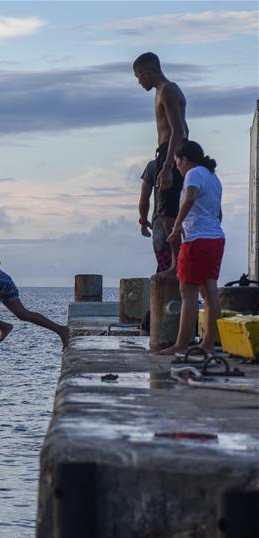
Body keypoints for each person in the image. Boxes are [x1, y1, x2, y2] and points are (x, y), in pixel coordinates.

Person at [159, 141, 224, 355]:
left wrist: (177, 226)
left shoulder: (194, 173)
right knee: (209, 290)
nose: (177, 167)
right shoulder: (213, 177)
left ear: (185, 159)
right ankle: (208, 343)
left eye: (178, 163)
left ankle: (181, 343)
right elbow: (219, 213)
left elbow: (189, 198)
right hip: (215, 238)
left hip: (197, 239)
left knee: (187, 291)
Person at [133, 52, 189, 278]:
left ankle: (176, 265)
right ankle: (175, 264)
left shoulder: (167, 90)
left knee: (167, 212)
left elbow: (179, 130)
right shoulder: (161, 92)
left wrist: (167, 165)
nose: (139, 82)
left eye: (139, 77)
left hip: (172, 152)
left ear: (147, 72)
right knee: (166, 211)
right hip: (166, 152)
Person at [138, 159, 172, 273]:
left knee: (165, 273)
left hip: (161, 230)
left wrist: (143, 222)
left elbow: (143, 201)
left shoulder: (154, 166)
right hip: (188, 230)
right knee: (187, 276)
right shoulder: (190, 164)